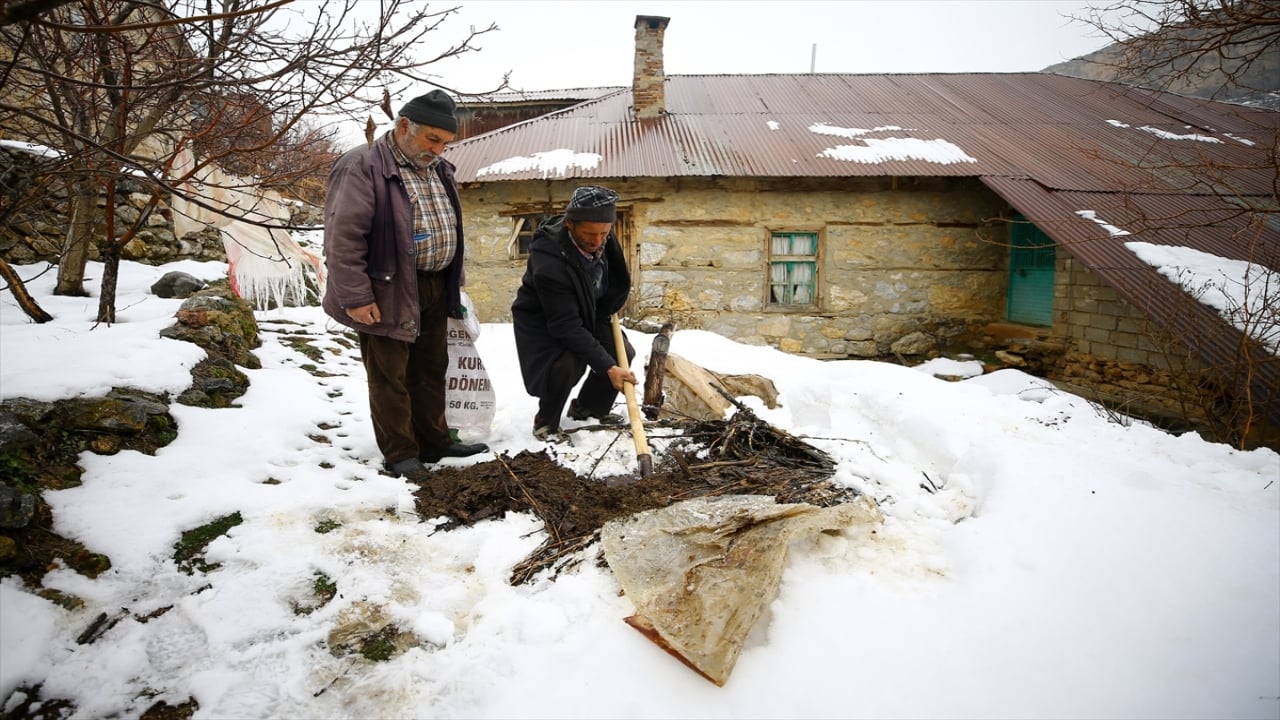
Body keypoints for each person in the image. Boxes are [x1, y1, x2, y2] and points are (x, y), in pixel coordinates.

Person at [321, 89, 489, 482]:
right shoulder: (361, 166)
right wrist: (357, 297)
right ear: (403, 126)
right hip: (386, 289)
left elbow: (450, 230)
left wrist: (454, 287)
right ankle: (400, 453)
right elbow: (342, 238)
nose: (438, 149)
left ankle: (434, 441)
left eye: (445, 143)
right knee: (389, 375)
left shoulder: (438, 169)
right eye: (433, 139)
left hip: (433, 285)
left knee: (432, 369)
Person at [511, 185, 638, 440]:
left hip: (590, 308)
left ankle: (588, 408)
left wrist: (607, 306)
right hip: (545, 319)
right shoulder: (550, 263)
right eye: (589, 234)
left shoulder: (602, 235)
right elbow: (565, 326)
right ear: (570, 224)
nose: (597, 240)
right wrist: (609, 369)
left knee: (622, 352)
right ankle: (545, 420)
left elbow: (615, 278)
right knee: (566, 364)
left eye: (604, 233)